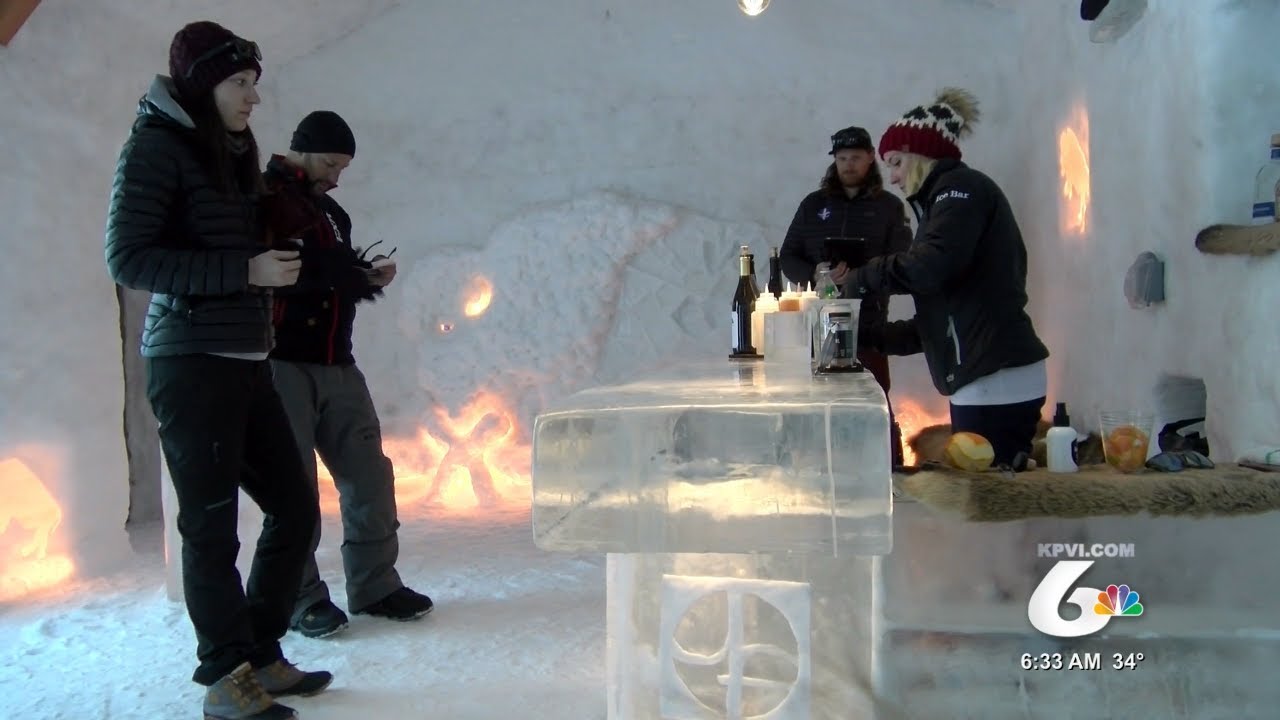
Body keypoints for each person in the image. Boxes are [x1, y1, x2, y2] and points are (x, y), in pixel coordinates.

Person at [104, 21, 332, 720]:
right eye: (240, 83)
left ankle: (260, 654)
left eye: (254, 82)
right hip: (189, 361)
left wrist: (277, 250)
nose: (254, 97)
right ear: (204, 86)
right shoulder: (154, 148)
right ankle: (224, 679)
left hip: (244, 357)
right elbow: (129, 259)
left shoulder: (230, 150)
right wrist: (244, 270)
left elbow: (231, 239)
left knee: (294, 510)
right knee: (210, 529)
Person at [260, 111, 434, 640]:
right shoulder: (262, 199)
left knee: (369, 476)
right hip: (280, 363)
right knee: (294, 489)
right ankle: (300, 596)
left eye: (344, 166)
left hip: (338, 361)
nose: (337, 175)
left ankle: (375, 584)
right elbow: (286, 269)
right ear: (303, 150)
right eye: (332, 162)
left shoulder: (331, 211)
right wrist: (345, 272)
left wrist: (364, 276)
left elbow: (328, 273)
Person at [842, 88, 1050, 469]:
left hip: (995, 377)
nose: (892, 177)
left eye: (896, 162)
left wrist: (861, 277)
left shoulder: (961, 191)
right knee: (991, 489)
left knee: (989, 497)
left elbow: (927, 268)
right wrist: (866, 339)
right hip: (986, 376)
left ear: (921, 155)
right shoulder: (942, 202)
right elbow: (939, 322)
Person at [779, 125, 912, 465]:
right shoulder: (813, 205)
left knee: (874, 403)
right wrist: (816, 272)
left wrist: (863, 276)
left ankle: (885, 471)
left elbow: (904, 264)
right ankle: (808, 469)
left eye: (855, 158)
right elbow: (788, 257)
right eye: (842, 159)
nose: (848, 165)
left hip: (868, 328)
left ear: (870, 158)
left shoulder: (890, 208)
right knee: (813, 407)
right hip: (815, 329)